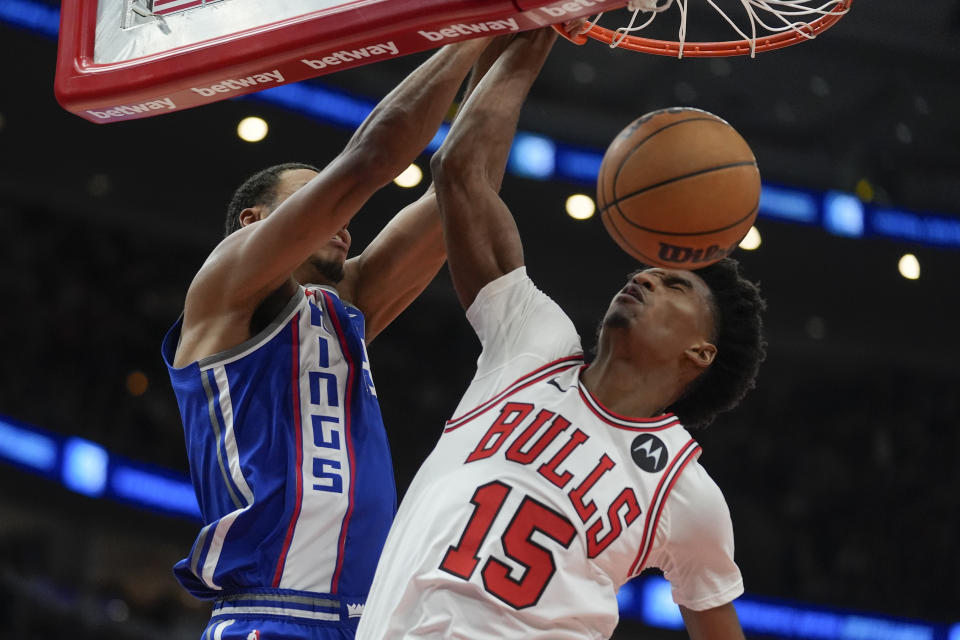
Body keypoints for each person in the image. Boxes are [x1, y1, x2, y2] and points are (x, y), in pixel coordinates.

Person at [357, 28, 766, 640]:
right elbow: (459, 168)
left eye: (673, 286)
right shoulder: (535, 343)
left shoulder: (684, 489)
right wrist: (546, 22)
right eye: (643, 270)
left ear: (700, 352)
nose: (645, 280)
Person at [160, 37, 499, 640]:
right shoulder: (225, 288)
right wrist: (480, 28)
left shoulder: (348, 305)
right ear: (256, 222)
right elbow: (371, 158)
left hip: (366, 621)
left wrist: (531, 38)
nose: (342, 222)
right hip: (271, 613)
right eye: (313, 202)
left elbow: (465, 181)